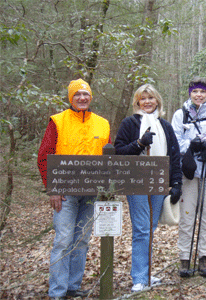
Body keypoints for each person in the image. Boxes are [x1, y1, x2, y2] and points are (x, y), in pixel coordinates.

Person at [37, 79, 110, 300]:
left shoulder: (102, 124)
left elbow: (109, 158)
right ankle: (57, 292)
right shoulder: (58, 121)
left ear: (91, 97)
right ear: (71, 97)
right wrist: (53, 188)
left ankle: (73, 286)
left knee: (82, 240)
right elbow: (44, 156)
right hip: (65, 193)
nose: (82, 98)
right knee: (63, 240)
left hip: (91, 192)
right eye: (77, 94)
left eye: (85, 94)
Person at [114, 84, 182, 292]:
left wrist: (177, 182)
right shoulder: (130, 123)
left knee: (151, 229)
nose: (148, 102)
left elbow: (175, 155)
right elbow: (118, 152)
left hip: (159, 182)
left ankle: (146, 272)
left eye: (151, 98)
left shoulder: (165, 126)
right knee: (142, 229)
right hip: (136, 182)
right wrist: (139, 144)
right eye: (143, 99)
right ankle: (140, 278)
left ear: (157, 101)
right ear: (137, 102)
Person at [171, 77, 206, 278]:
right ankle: (185, 257)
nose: (199, 95)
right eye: (195, 91)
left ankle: (204, 255)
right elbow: (175, 142)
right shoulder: (180, 115)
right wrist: (191, 144)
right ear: (189, 93)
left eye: (202, 91)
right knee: (187, 214)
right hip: (189, 169)